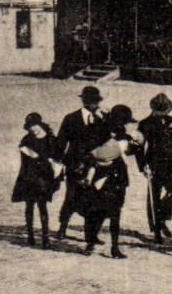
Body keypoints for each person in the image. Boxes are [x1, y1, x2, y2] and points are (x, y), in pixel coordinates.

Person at [80, 104, 140, 259]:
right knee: (114, 213)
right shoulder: (122, 136)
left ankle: (90, 244)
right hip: (116, 177)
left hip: (99, 175)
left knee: (97, 211)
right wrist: (137, 144)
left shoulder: (100, 130)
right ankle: (113, 248)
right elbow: (129, 150)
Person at [55, 85, 106, 242]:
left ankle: (90, 234)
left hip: (94, 165)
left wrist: (104, 120)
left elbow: (105, 141)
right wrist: (59, 164)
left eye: (96, 101)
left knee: (93, 200)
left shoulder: (101, 119)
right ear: (85, 101)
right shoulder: (71, 118)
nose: (95, 105)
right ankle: (62, 228)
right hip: (74, 165)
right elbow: (61, 143)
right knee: (71, 197)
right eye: (92, 101)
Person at [136, 93, 172, 242]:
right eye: (161, 110)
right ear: (154, 109)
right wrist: (142, 166)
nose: (164, 113)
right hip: (154, 165)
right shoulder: (145, 123)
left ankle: (162, 218)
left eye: (165, 110)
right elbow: (139, 147)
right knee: (154, 198)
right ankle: (157, 231)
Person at [12, 112, 60, 248]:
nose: (32, 129)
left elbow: (56, 157)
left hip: (44, 178)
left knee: (42, 207)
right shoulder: (27, 139)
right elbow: (25, 161)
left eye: (33, 125)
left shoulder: (51, 139)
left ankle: (45, 238)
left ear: (40, 124)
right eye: (29, 126)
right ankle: (30, 235)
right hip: (29, 177)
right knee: (29, 207)